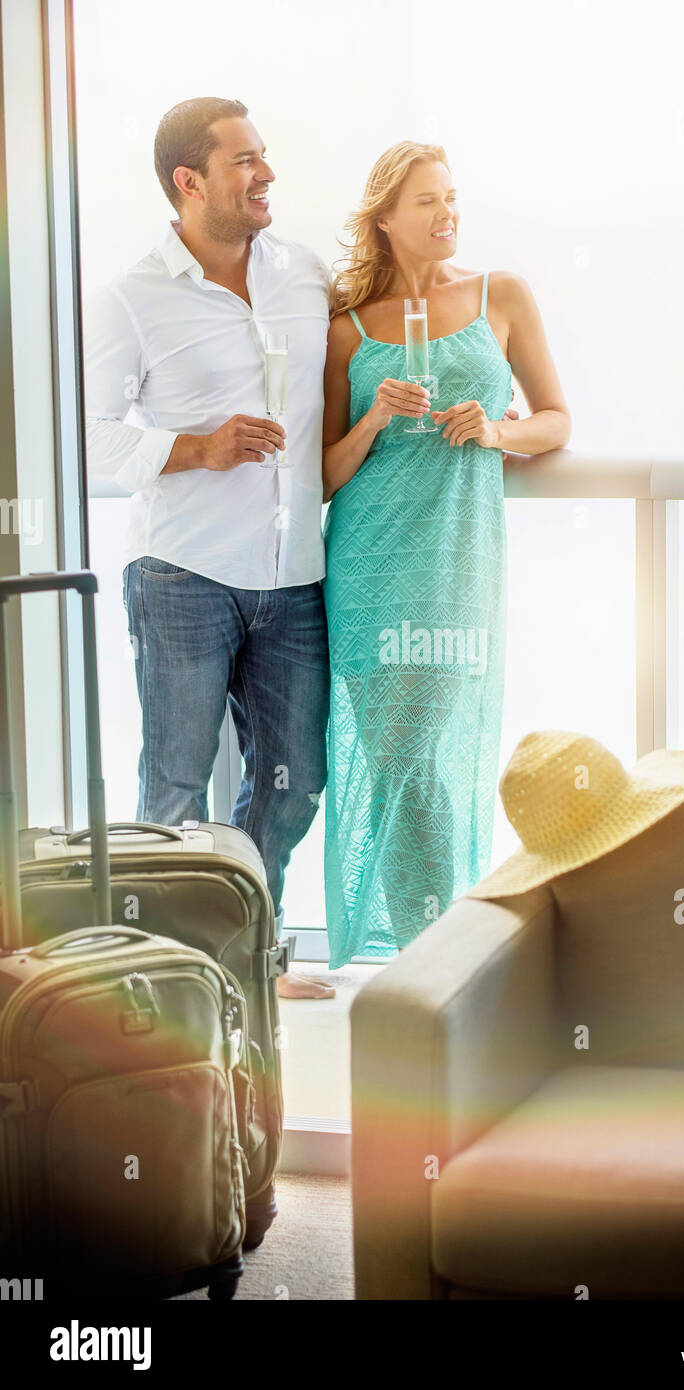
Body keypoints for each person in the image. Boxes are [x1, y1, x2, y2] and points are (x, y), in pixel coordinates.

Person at [84, 97, 334, 999]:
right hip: (181, 573)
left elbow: (372, 349)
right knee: (175, 792)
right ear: (189, 182)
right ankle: (171, 988)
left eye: (265, 156)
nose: (266, 174)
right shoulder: (130, 299)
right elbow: (91, 434)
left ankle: (245, 962)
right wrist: (198, 447)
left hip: (295, 575)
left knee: (297, 779)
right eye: (244, 162)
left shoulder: (305, 274)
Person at [321, 140, 571, 968]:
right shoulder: (345, 330)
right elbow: (323, 474)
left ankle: (435, 954)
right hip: (367, 561)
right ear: (385, 218)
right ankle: (431, 957)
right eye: (427, 200)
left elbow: (557, 419)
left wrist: (495, 431)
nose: (446, 213)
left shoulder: (501, 294)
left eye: (451, 197)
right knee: (397, 758)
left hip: (456, 558)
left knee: (426, 747)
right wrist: (373, 419)